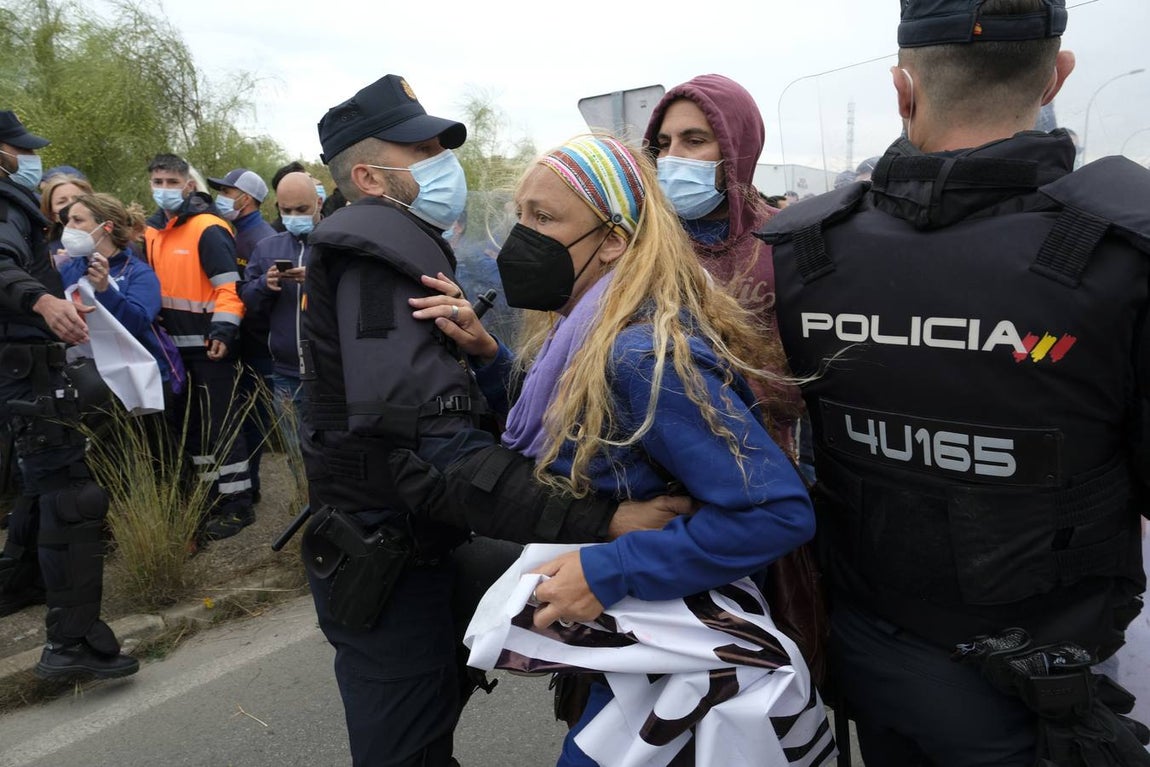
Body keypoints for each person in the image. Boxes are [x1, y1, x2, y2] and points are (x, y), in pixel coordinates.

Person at [758, 1, 1149, 765]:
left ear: (904, 89)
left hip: (870, 666)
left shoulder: (802, 251)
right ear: (1056, 77)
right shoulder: (1124, 252)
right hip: (1045, 692)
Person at [409, 134, 819, 765]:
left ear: (612, 241)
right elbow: (582, 429)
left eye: (545, 218)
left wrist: (607, 572)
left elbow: (776, 513)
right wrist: (492, 359)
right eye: (519, 215)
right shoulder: (586, 329)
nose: (521, 237)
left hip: (671, 657)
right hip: (636, 648)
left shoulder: (638, 354)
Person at [0, 111, 137, 678]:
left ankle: (25, 590)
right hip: (29, 376)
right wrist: (44, 303)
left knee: (41, 493)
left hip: (22, 368)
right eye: (19, 149)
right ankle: (72, 642)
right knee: (72, 499)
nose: (27, 159)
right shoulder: (7, 202)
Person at [642, 74, 802, 452]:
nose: (671, 157)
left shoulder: (786, 239)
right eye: (663, 144)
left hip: (759, 457)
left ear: (736, 148)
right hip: (655, 460)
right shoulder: (642, 241)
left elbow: (800, 375)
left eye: (694, 141)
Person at [144, 152, 253, 541]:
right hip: (174, 351)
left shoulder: (208, 228)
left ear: (189, 185)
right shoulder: (152, 232)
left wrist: (223, 334)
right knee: (194, 431)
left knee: (223, 426)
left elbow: (230, 288)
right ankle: (211, 498)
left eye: (171, 182)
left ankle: (239, 504)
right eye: (157, 182)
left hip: (210, 346)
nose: (164, 190)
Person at [57, 193, 178, 392]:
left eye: (77, 220)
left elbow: (136, 324)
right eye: (67, 220)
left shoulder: (139, 273)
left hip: (142, 381)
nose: (68, 227)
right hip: (91, 381)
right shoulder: (70, 269)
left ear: (107, 226)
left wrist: (105, 290)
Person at [208, 167, 276, 504]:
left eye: (226, 190)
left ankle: (251, 485)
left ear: (245, 198)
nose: (221, 196)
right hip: (237, 342)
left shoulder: (261, 239)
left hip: (257, 345)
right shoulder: (231, 233)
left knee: (253, 418)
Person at [240, 171, 318, 453]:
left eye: (302, 209)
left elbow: (354, 295)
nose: (294, 215)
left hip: (329, 370)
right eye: (286, 210)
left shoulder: (334, 244)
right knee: (296, 452)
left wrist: (317, 281)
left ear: (318, 203)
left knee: (331, 449)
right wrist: (265, 284)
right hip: (285, 371)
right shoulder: (267, 248)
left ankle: (328, 498)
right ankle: (301, 497)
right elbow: (247, 301)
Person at [39, 174, 93, 263]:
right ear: (52, 215)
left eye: (78, 198)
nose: (72, 204)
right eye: (62, 202)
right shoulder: (51, 254)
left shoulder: (113, 234)